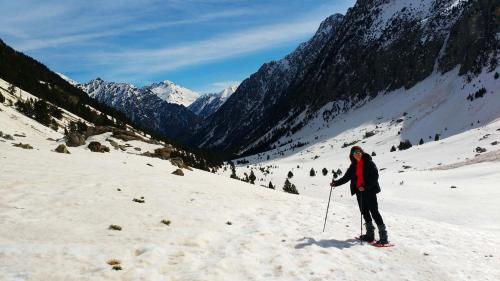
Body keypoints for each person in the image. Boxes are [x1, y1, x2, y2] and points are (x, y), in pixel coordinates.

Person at [330, 146, 389, 245]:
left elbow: (375, 177)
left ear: (362, 152)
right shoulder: (353, 166)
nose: (357, 154)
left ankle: (384, 237)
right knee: (364, 212)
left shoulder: (369, 163)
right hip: (359, 192)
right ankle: (370, 235)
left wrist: (365, 186)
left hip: (370, 191)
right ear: (352, 155)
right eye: (355, 153)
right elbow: (346, 177)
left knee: (374, 212)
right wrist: (335, 183)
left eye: (358, 152)